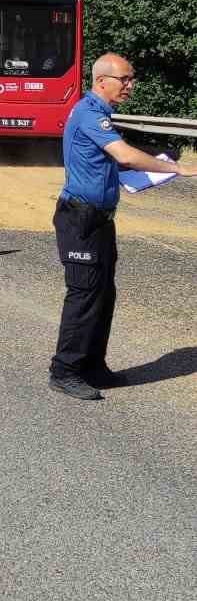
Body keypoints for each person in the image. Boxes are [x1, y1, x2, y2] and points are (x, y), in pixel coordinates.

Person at [49, 52, 197, 401]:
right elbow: (126, 155)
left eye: (131, 79)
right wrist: (175, 169)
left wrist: (135, 177)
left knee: (103, 293)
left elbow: (109, 165)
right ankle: (64, 370)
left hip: (99, 219)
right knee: (84, 294)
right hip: (80, 218)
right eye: (124, 79)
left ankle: (93, 366)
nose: (130, 85)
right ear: (101, 81)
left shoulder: (100, 113)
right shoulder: (89, 114)